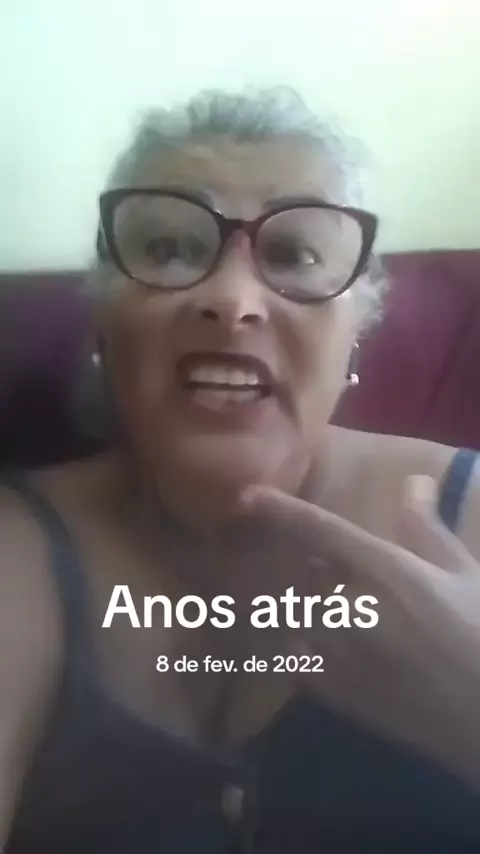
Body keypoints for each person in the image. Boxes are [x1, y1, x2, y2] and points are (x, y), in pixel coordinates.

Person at [1, 87, 480, 854]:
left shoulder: (469, 511)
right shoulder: (20, 547)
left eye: (292, 255)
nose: (232, 300)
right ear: (104, 323)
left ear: (355, 333)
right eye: (170, 248)